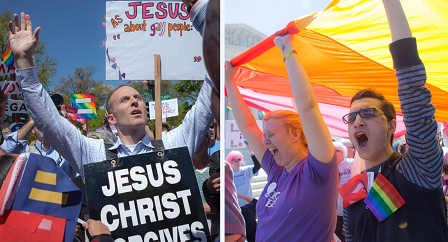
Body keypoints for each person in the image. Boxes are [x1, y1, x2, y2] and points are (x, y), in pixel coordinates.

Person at [8, 12, 214, 179]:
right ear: (112, 118)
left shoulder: (174, 145)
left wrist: (206, 16)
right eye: (125, 100)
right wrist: (24, 61)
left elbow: (208, 98)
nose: (135, 100)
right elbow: (49, 121)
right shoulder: (93, 153)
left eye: (138, 98)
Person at [341, 0, 448, 240]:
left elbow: (413, 93)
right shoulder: (353, 193)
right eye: (352, 117)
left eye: (368, 113)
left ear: (391, 126)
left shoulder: (417, 169)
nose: (357, 121)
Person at [225, 32, 338, 241]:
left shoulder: (318, 170)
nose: (265, 140)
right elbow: (249, 127)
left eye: (271, 134)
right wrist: (229, 81)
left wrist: (286, 48)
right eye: (265, 135)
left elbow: (308, 107)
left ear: (295, 133)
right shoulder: (277, 170)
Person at [333, 141, 353, 242]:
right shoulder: (330, 168)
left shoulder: (352, 163)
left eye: (332, 151)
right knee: (336, 238)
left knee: (347, 237)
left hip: (351, 211)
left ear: (340, 153)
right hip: (336, 213)